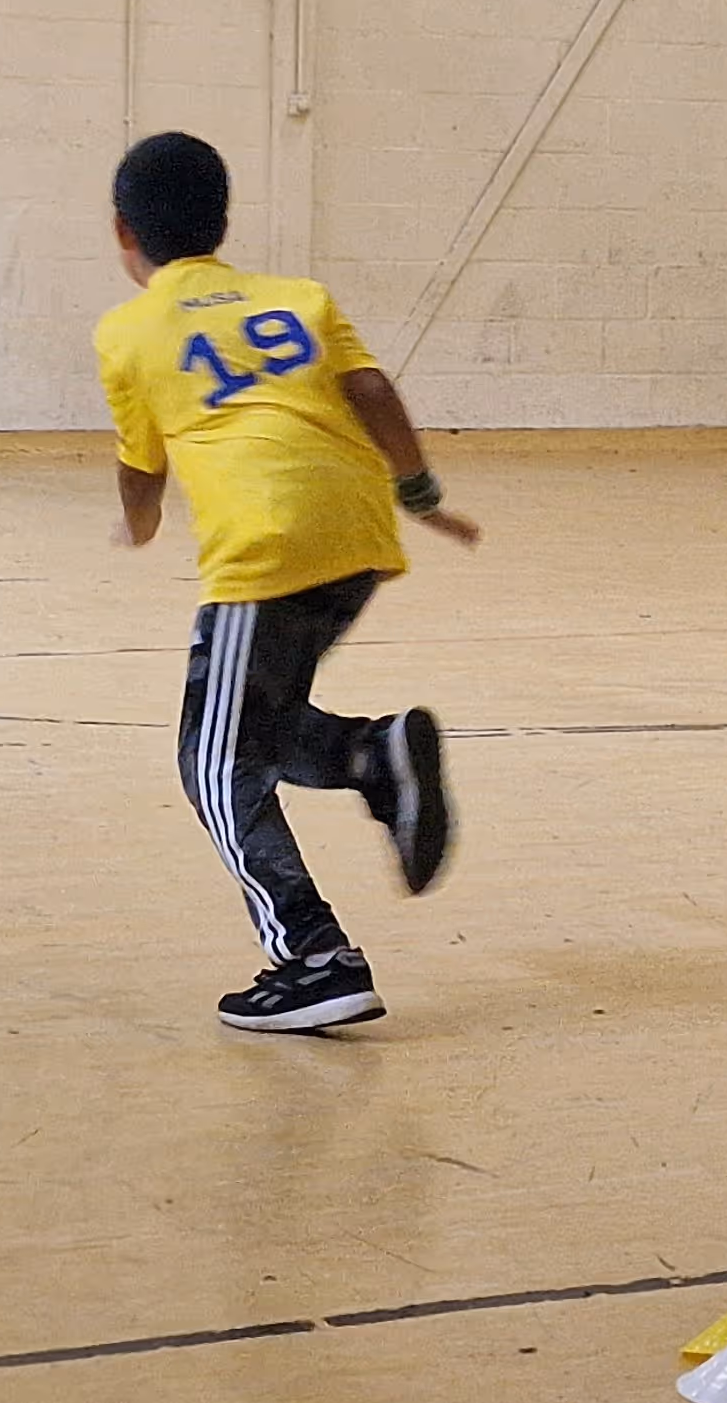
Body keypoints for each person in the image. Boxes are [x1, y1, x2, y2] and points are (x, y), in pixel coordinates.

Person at [94, 132, 476, 1036]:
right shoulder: (298, 299)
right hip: (357, 535)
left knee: (214, 763)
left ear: (123, 232)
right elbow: (374, 389)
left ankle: (313, 955)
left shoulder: (128, 331)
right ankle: (367, 755)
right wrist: (419, 492)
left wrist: (140, 526)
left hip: (265, 548)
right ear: (224, 222)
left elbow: (140, 468)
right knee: (255, 723)